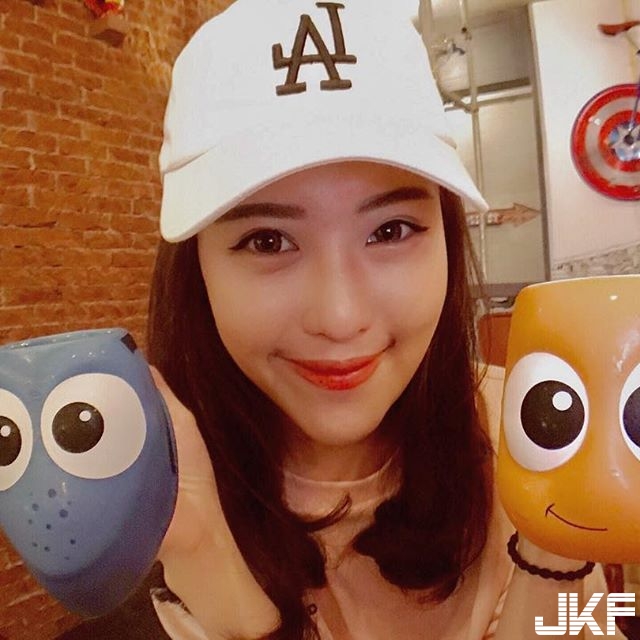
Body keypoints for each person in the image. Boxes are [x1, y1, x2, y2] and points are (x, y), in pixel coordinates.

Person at [145, 1, 622, 638]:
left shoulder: (538, 423)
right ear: (196, 269)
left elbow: (583, 620)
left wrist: (557, 535)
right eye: (268, 241)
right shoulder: (176, 485)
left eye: (390, 230)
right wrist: (205, 557)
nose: (340, 318)